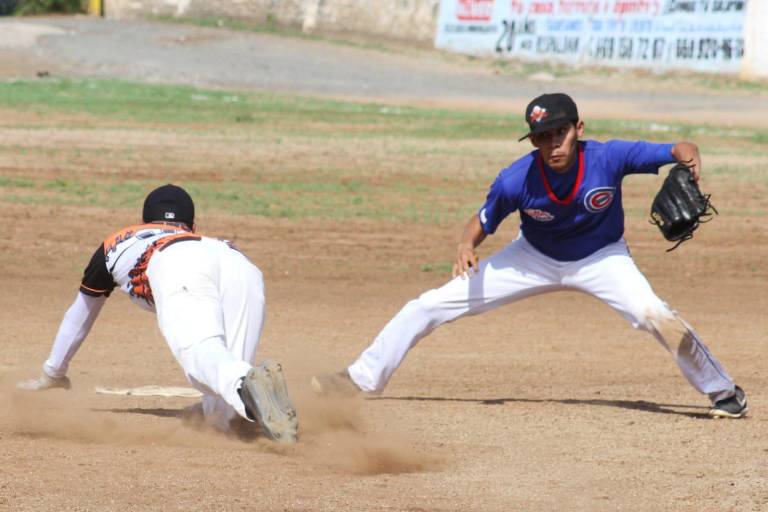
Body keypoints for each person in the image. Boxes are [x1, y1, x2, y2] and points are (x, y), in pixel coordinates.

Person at [312, 92, 748, 419]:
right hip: (531, 258)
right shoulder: (515, 178)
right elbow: (482, 220)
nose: (552, 143)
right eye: (542, 136)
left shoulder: (608, 156)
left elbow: (678, 147)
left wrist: (691, 163)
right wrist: (466, 246)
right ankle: (359, 379)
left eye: (559, 132)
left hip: (602, 258)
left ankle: (724, 391)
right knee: (427, 305)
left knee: (655, 314)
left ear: (578, 127)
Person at [18, 184, 299, 442]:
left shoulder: (120, 241)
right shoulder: (200, 237)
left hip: (178, 261)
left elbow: (81, 313)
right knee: (222, 405)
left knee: (201, 353)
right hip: (239, 262)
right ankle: (246, 401)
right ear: (191, 224)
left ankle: (243, 382)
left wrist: (53, 372)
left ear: (144, 221)